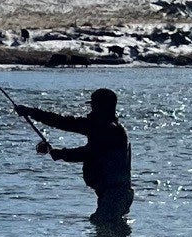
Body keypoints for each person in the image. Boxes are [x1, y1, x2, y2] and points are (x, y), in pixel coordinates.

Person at [14, 87, 134, 225]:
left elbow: (89, 153)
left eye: (94, 106)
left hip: (115, 195)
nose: (91, 110)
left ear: (103, 107)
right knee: (105, 232)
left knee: (101, 226)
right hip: (112, 195)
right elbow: (64, 122)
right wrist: (31, 112)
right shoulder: (101, 127)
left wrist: (61, 154)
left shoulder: (110, 130)